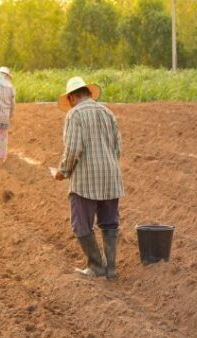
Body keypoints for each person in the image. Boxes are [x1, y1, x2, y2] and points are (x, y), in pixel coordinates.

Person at [54, 76, 124, 279]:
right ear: (88, 93)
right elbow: (118, 148)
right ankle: (111, 268)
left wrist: (63, 171)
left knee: (81, 223)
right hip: (111, 176)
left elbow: (74, 148)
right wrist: (108, 165)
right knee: (110, 222)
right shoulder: (107, 112)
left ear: (73, 96)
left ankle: (96, 267)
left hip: (85, 180)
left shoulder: (75, 115)